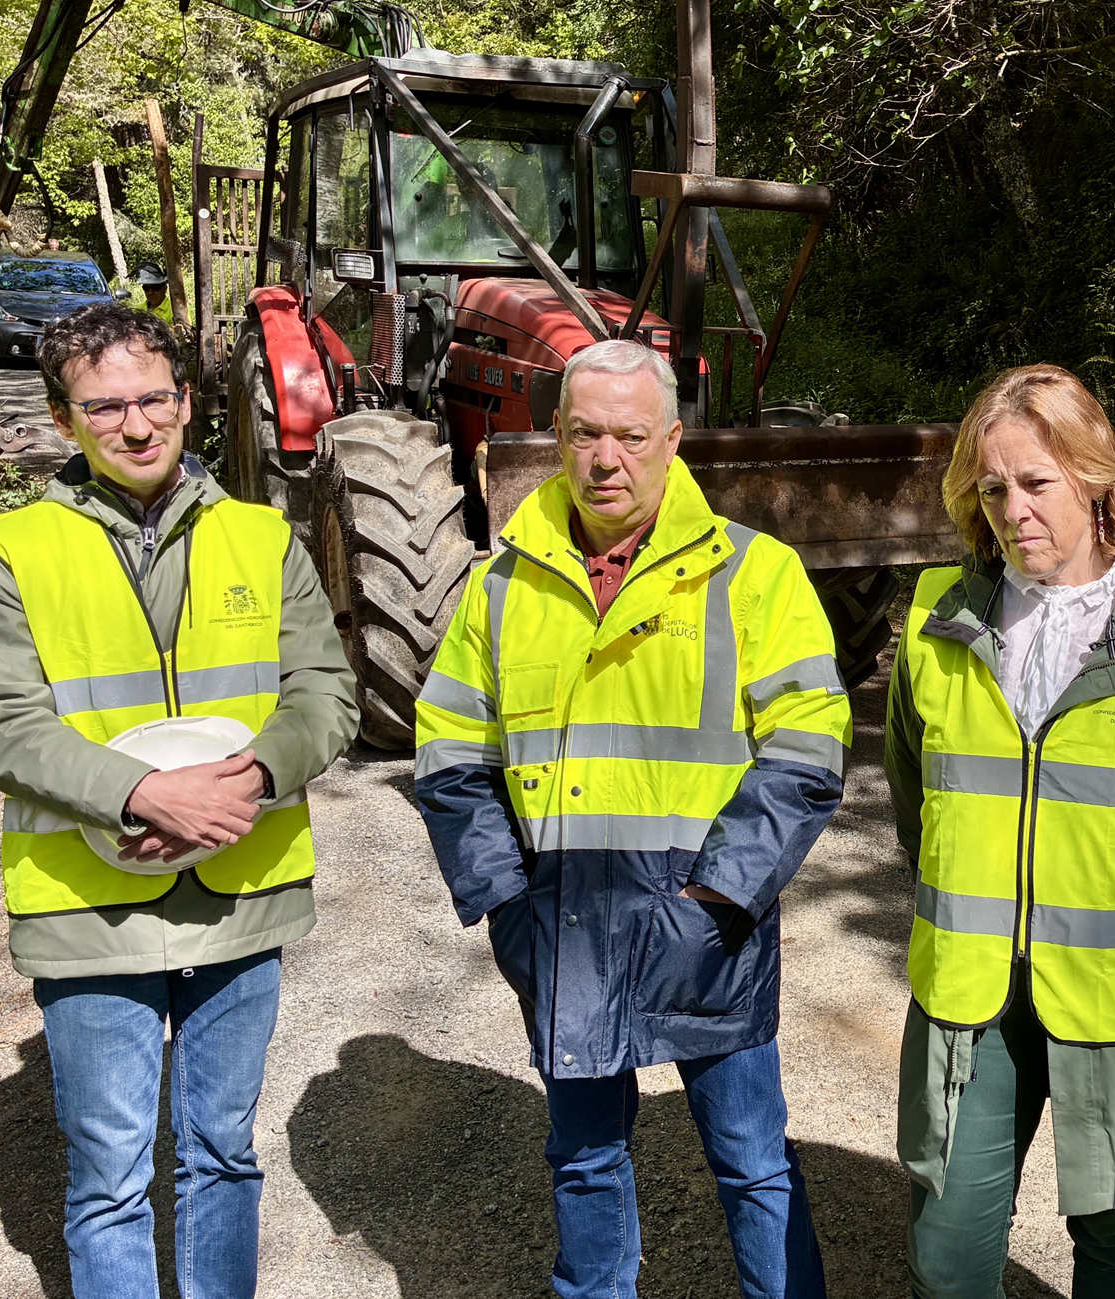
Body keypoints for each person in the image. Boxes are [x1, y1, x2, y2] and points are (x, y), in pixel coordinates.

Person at [414, 337, 850, 1299]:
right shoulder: (502, 585)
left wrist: (716, 896)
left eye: (630, 435)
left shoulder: (754, 575)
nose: (606, 458)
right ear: (558, 437)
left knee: (751, 1163)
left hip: (706, 928)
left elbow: (808, 752)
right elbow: (449, 752)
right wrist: (505, 901)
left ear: (673, 440)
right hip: (562, 921)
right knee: (584, 1162)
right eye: (585, 434)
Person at [0, 303, 359, 1299]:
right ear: (61, 417)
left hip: (239, 892)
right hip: (90, 908)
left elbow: (324, 695)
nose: (135, 426)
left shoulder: (263, 539)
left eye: (152, 399)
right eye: (103, 407)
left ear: (187, 401)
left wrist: (253, 782)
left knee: (222, 1152)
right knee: (110, 1180)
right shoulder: (11, 552)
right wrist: (139, 793)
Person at [885, 364, 1115, 1299]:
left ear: (1095, 478)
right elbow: (913, 798)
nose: (1014, 509)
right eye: (993, 487)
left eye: (1036, 481)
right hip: (976, 992)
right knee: (951, 1248)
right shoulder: (942, 619)